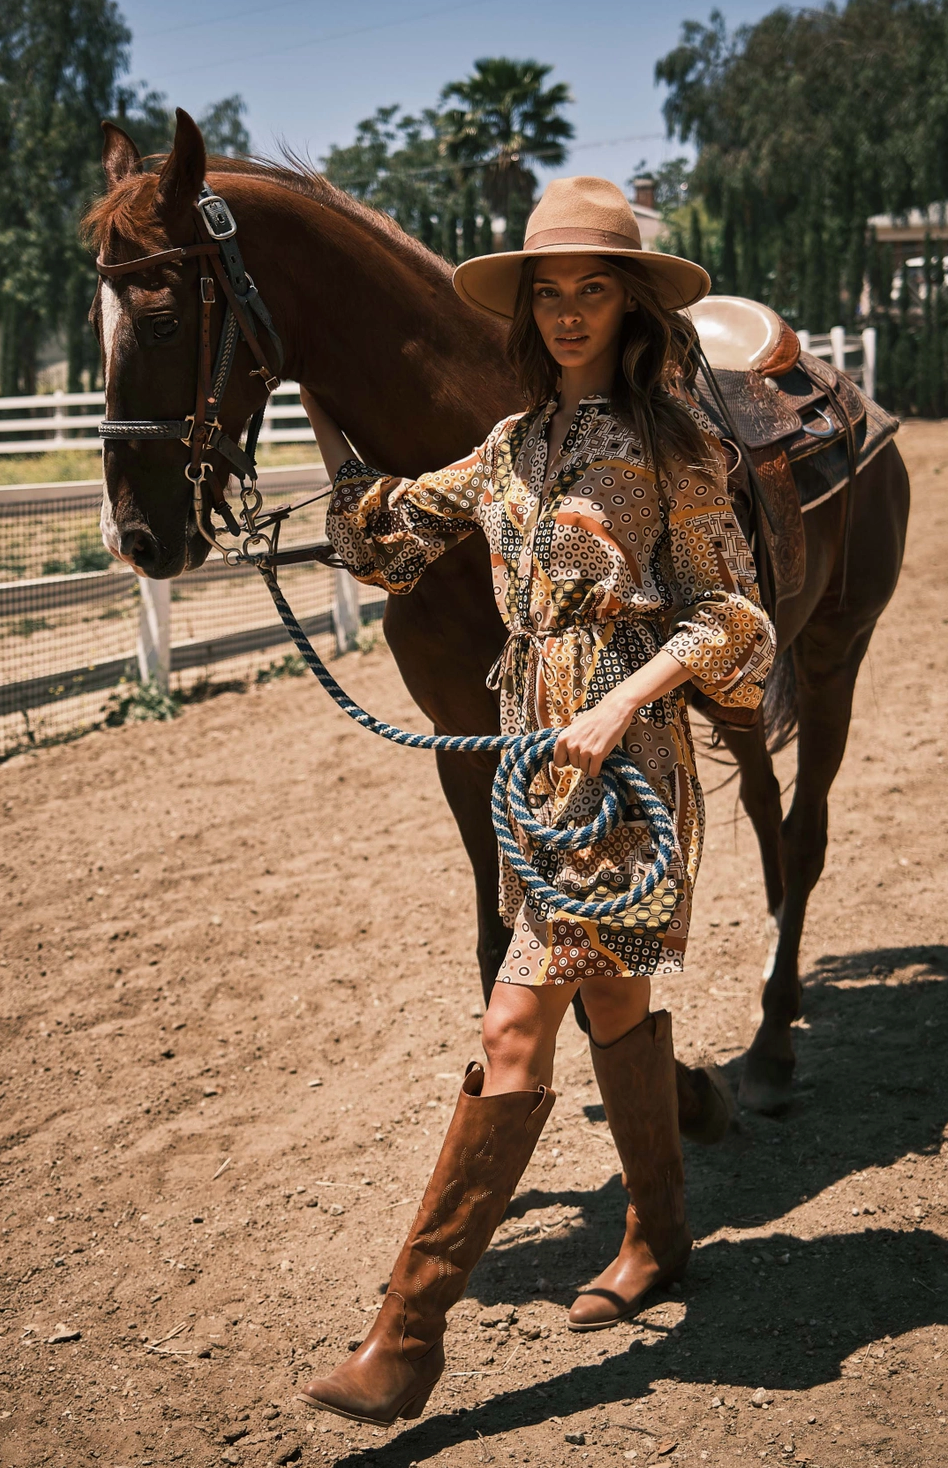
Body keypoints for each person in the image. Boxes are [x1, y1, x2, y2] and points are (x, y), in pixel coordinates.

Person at [296, 176, 775, 1427]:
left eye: (593, 289)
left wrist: (622, 704)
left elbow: (735, 618)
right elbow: (387, 540)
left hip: (621, 774)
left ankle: (404, 1338)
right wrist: (324, 441)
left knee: (515, 1025)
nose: (568, 313)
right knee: (613, 995)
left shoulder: (675, 449)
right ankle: (662, 1240)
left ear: (632, 304)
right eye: (549, 294)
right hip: (535, 778)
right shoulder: (510, 447)